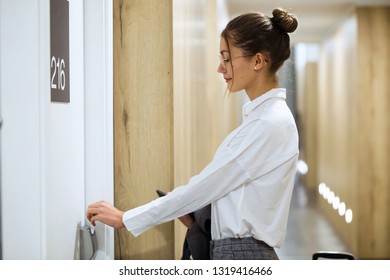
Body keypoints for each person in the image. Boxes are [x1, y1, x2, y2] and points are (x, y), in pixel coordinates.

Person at [87, 8, 299, 260]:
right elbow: (232, 194)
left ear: (257, 61)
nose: (221, 68)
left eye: (227, 58)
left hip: (241, 256)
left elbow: (204, 186)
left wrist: (125, 218)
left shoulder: (268, 123)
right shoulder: (264, 120)